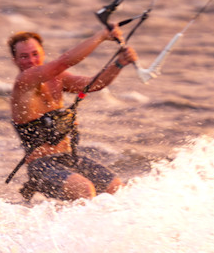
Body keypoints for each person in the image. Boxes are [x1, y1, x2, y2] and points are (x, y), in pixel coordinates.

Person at [8, 25, 138, 201]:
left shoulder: (57, 79)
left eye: (35, 54)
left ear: (43, 53)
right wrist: (101, 36)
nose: (31, 60)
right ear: (15, 60)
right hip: (41, 166)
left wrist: (119, 63)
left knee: (117, 189)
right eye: (24, 56)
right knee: (84, 189)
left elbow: (94, 84)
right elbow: (64, 61)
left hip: (69, 158)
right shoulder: (23, 82)